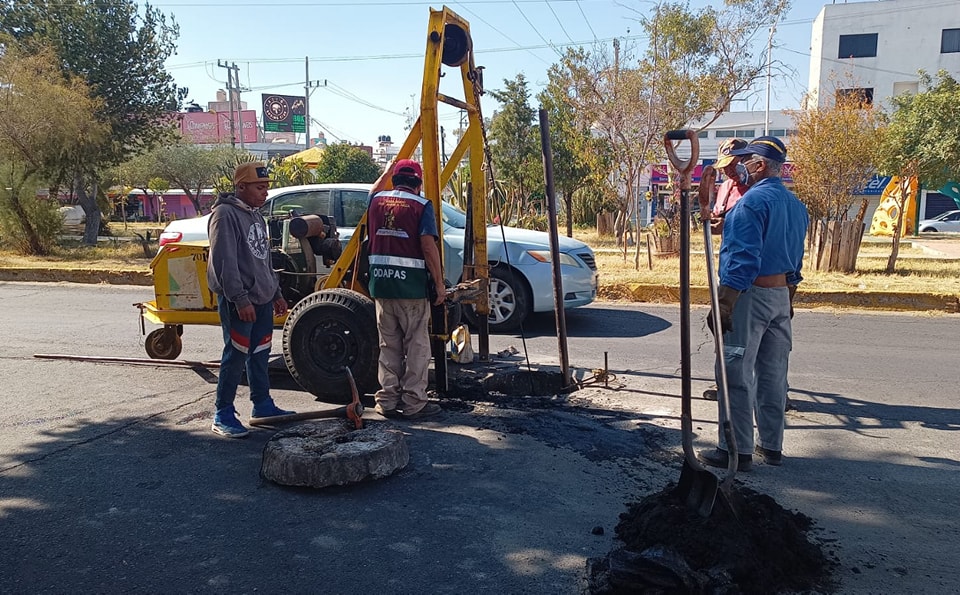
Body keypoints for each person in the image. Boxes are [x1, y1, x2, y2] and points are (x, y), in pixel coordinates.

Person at [697, 136, 808, 471]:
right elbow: (796, 260)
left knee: (734, 372)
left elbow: (741, 260)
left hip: (751, 297)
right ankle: (771, 447)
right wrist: (789, 297)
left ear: (759, 165)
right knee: (773, 374)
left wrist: (725, 303)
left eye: (745, 161)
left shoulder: (749, 205)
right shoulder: (795, 206)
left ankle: (736, 450)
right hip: (780, 297)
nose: (739, 167)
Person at [206, 162, 294, 438]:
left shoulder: (256, 215)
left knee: (260, 353)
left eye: (266, 187)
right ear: (240, 186)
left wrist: (276, 293)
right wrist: (240, 299)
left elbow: (263, 258)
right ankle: (223, 413)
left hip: (263, 298)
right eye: (259, 187)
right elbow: (225, 263)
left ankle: (263, 405)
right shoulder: (224, 215)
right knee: (235, 355)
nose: (264, 193)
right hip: (240, 302)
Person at [367, 158, 446, 420]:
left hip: (381, 285)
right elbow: (427, 246)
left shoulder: (376, 201)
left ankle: (387, 401)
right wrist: (439, 284)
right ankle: (414, 402)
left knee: (388, 345)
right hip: (410, 288)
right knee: (416, 345)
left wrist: (386, 170)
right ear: (418, 184)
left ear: (396, 179)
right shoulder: (421, 206)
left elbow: (373, 190)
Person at [702, 138, 749, 402]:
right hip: (729, 265)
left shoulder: (757, 191)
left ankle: (770, 391)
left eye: (734, 164)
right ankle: (725, 384)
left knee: (749, 335)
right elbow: (721, 217)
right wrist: (717, 223)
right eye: (725, 166)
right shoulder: (726, 187)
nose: (729, 171)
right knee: (726, 330)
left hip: (748, 272)